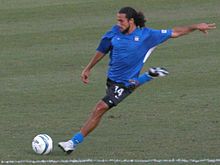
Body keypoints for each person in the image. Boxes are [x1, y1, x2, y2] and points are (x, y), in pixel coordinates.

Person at [58, 7, 216, 154]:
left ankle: (72, 142)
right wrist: (88, 68)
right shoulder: (113, 33)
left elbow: (174, 32)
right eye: (117, 20)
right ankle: (148, 76)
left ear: (131, 21)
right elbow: (102, 50)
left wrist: (196, 26)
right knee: (103, 109)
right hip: (112, 81)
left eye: (121, 21)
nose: (118, 24)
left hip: (124, 83)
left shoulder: (146, 36)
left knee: (100, 108)